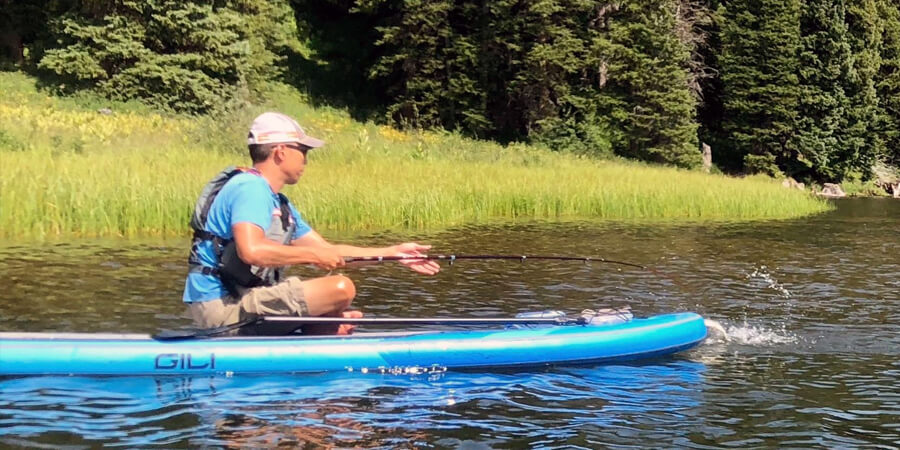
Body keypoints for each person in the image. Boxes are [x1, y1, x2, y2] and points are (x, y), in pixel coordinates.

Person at [183, 112, 441, 335]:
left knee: (338, 312)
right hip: (221, 307)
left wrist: (392, 254)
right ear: (281, 152)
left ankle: (317, 330)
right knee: (341, 289)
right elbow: (252, 251)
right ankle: (313, 330)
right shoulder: (250, 187)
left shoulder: (279, 203)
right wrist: (311, 255)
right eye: (303, 151)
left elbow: (326, 250)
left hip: (242, 301)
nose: (306, 159)